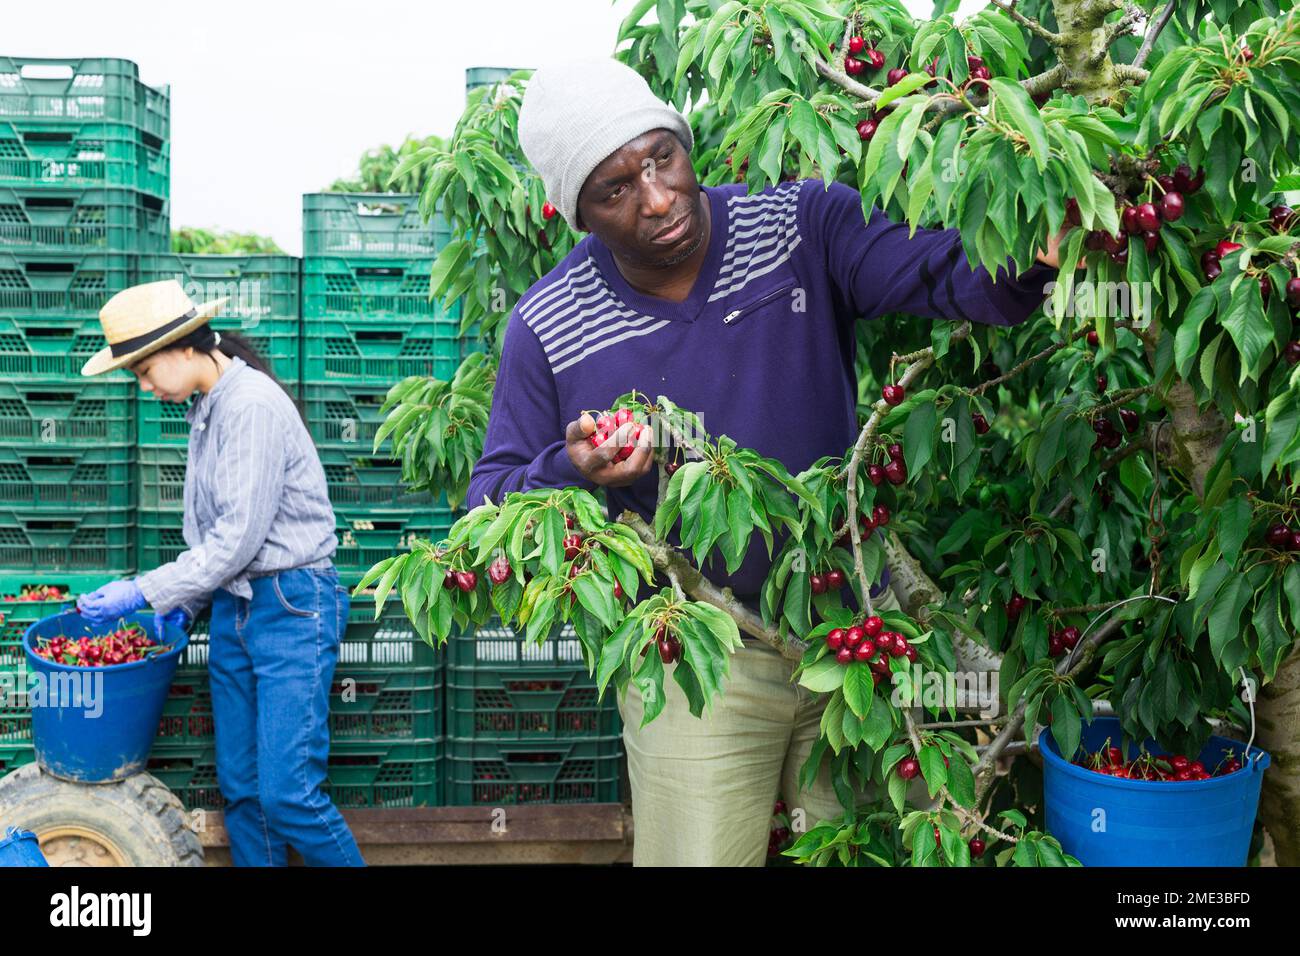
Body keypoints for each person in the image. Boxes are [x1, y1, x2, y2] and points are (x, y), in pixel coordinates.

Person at [466, 58, 1064, 866]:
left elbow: (943, 273)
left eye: (661, 159)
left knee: (880, 848)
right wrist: (574, 468)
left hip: (853, 630)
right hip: (692, 660)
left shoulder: (801, 227)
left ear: (682, 142)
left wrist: (1037, 250)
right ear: (572, 211)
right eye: (614, 191)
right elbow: (490, 507)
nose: (656, 198)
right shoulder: (547, 325)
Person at [76, 280, 364, 867]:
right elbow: (214, 537)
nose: (146, 386)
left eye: (145, 370)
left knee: (288, 797)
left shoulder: (249, 405)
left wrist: (143, 592)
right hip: (237, 605)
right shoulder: (208, 409)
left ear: (184, 347)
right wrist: (184, 605)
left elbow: (236, 539)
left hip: (291, 604)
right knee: (246, 796)